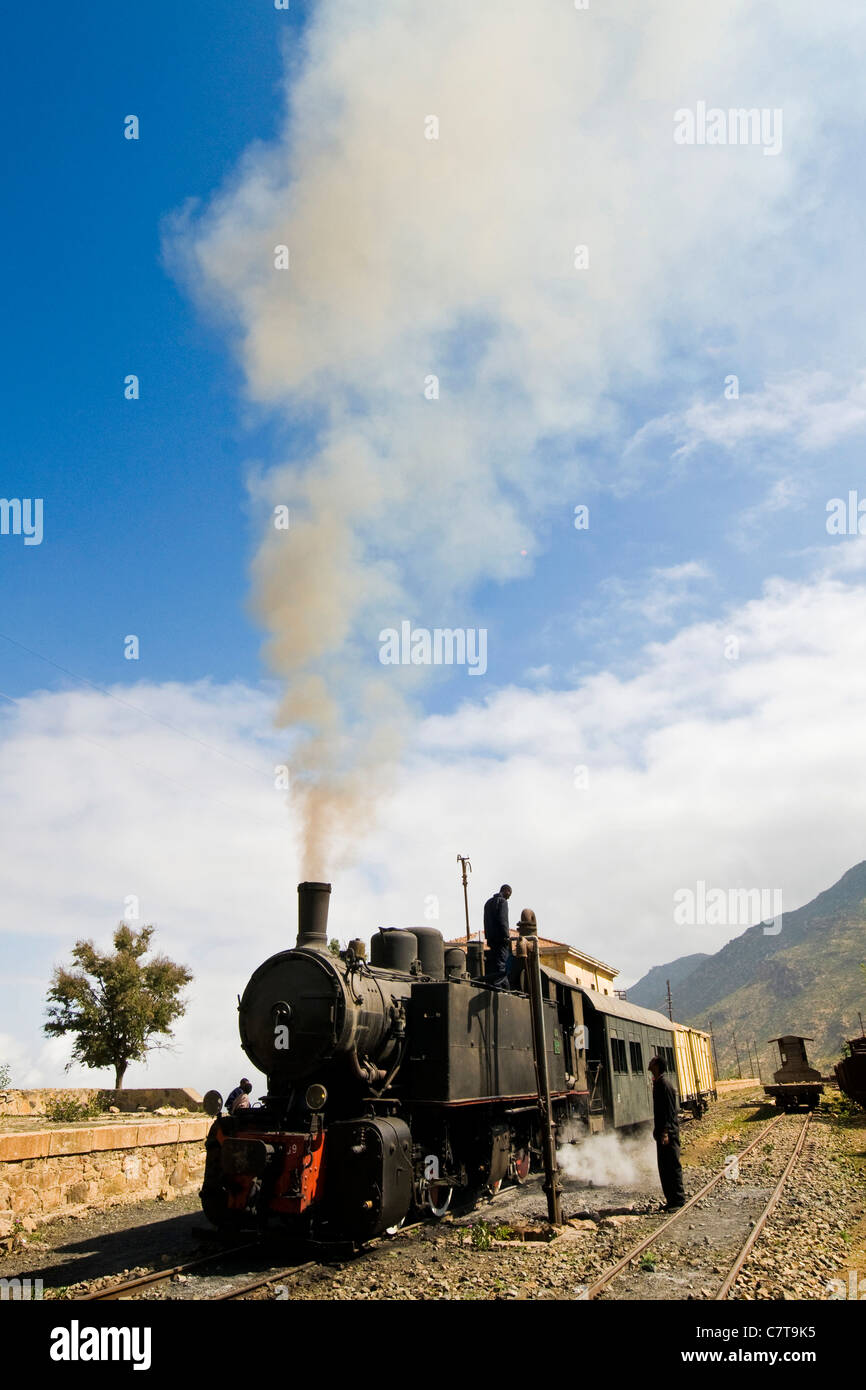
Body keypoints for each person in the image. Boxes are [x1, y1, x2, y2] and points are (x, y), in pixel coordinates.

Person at [648, 1055, 685, 1210]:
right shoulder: (659, 1084)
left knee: (672, 1166)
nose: (649, 1063)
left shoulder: (665, 1085)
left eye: (652, 1061)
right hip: (663, 1133)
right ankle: (671, 1200)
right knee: (664, 1168)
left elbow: (669, 1112)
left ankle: (678, 1200)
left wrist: (665, 1132)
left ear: (656, 1065)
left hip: (668, 1134)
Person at [483, 884, 512, 989]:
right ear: (507, 891)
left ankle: (499, 984)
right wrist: (506, 936)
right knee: (502, 964)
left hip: (491, 939)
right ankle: (499, 986)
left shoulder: (488, 903)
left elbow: (485, 922)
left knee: (495, 963)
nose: (509, 897)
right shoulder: (503, 902)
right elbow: (503, 920)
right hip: (501, 939)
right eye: (509, 894)